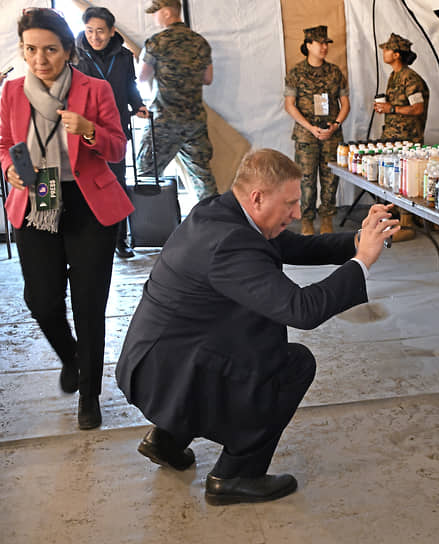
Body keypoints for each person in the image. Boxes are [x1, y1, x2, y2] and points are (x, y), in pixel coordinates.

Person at [115, 149, 399, 505]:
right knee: (291, 364)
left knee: (250, 333)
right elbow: (302, 310)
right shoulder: (230, 244)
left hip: (158, 363)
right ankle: (236, 475)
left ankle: (167, 438)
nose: (297, 213)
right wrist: (363, 261)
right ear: (258, 197)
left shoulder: (220, 212)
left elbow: (296, 246)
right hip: (168, 376)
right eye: (290, 203)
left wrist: (360, 238)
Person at [0, 8, 130, 430]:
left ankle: (89, 394)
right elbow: (4, 143)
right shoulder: (12, 92)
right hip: (37, 198)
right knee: (42, 300)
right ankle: (71, 358)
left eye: (50, 50)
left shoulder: (95, 89)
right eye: (31, 49)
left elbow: (117, 148)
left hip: (89, 204)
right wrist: (10, 169)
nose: (40, 59)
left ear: (68, 50)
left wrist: (89, 130)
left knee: (89, 303)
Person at [75, 6, 149, 259]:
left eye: (100, 31)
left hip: (115, 130)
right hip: (82, 131)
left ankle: (119, 240)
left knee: (116, 184)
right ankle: (85, 239)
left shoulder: (124, 56)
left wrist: (137, 105)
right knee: (83, 185)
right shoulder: (74, 55)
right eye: (89, 31)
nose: (94, 37)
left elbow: (130, 85)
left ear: (111, 31)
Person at [137, 0, 217, 200]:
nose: (154, 17)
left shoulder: (156, 42)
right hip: (194, 122)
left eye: (155, 12)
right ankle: (212, 217)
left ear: (166, 12)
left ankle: (153, 219)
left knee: (146, 175)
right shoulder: (200, 42)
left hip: (164, 121)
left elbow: (142, 77)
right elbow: (208, 79)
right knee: (202, 177)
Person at [284, 26, 350, 235]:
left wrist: (336, 125)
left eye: (326, 43)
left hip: (331, 134)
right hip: (306, 135)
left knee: (330, 179)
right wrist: (310, 127)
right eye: (320, 43)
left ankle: (327, 217)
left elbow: (345, 104)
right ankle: (307, 219)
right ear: (308, 45)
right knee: (306, 179)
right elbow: (289, 105)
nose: (324, 47)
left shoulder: (335, 72)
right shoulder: (296, 73)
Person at [373, 33, 430, 242]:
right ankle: (396, 217)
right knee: (393, 179)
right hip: (393, 137)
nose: (384, 52)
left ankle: (407, 224)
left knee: (406, 180)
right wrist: (385, 108)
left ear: (397, 54)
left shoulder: (410, 78)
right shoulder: (394, 76)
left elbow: (417, 108)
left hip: (408, 139)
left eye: (387, 49)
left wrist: (392, 108)